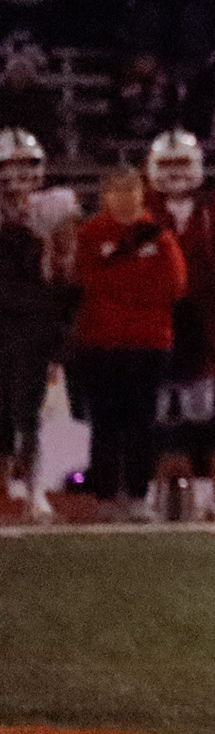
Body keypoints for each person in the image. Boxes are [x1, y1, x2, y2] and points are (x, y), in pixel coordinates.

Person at [71, 167, 186, 520]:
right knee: (104, 422)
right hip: (101, 341)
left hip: (148, 342)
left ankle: (138, 493)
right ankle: (105, 495)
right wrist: (134, 285)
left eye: (131, 190)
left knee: (142, 422)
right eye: (117, 190)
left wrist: (121, 286)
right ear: (105, 195)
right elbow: (87, 280)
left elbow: (174, 285)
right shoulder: (92, 234)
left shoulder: (159, 235)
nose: (125, 198)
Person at [146, 128, 215, 521]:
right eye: (167, 164)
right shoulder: (139, 210)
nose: (175, 173)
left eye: (182, 163)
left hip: (201, 324)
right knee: (151, 413)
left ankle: (206, 495)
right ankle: (144, 493)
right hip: (152, 322)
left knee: (199, 414)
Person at [0, 127, 76, 521]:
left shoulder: (55, 205)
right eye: (9, 165)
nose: (17, 174)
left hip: (34, 316)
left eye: (25, 164)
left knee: (30, 408)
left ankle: (35, 488)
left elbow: (66, 271)